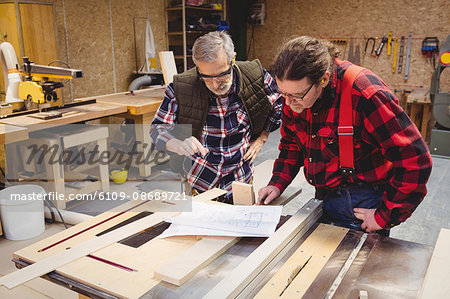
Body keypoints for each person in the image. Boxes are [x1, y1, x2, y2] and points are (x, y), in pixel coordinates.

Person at [257, 36, 432, 234]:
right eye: (283, 93)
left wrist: (385, 216)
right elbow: (292, 143)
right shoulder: (294, 93)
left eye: (297, 96)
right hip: (323, 194)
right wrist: (277, 183)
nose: (288, 103)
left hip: (362, 201)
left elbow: (415, 160)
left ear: (323, 79)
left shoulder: (365, 93)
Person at [150, 31, 282, 202]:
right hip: (200, 178)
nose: (215, 84)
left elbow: (278, 103)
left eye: (221, 75)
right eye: (206, 77)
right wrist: (178, 144)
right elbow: (157, 129)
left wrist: (262, 137)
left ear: (232, 59)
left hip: (241, 175)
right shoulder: (181, 87)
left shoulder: (254, 76)